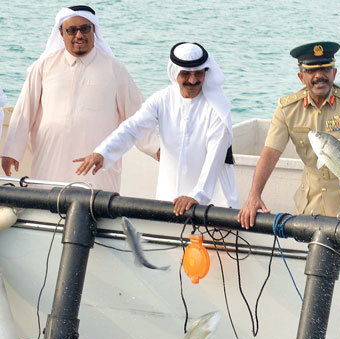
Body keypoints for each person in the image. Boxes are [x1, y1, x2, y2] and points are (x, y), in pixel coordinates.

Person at [1, 5, 157, 190]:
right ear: (61, 33)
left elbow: (136, 116)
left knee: (95, 204)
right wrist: (11, 152)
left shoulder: (115, 69)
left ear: (94, 30)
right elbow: (24, 112)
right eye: (72, 30)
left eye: (85, 29)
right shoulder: (43, 67)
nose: (79, 35)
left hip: (96, 170)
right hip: (50, 162)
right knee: (46, 201)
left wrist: (158, 148)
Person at [74, 42, 239, 216]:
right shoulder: (163, 99)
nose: (193, 80)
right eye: (186, 74)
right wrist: (103, 152)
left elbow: (214, 160)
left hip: (212, 202)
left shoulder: (218, 109)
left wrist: (197, 196)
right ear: (175, 73)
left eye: (198, 73)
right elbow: (133, 127)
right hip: (170, 199)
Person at [237, 41, 340, 228]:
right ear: (301, 77)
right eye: (311, 71)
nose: (319, 76)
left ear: (334, 73)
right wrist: (253, 197)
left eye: (325, 69)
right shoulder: (287, 109)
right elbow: (270, 154)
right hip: (311, 206)